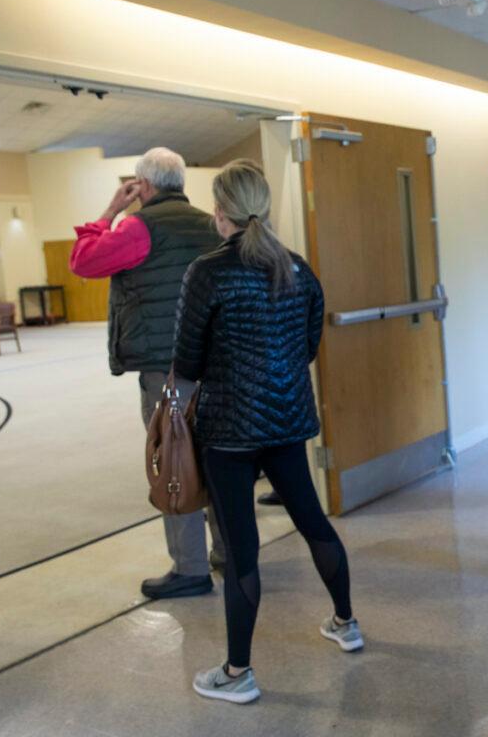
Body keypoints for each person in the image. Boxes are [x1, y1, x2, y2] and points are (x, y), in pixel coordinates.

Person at [174, 160, 361, 704]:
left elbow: (186, 360)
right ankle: (346, 623)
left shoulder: (207, 272)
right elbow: (306, 344)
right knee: (312, 522)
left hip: (228, 429)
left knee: (242, 550)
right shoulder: (297, 269)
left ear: (220, 211)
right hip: (286, 422)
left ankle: (238, 673)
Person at [70, 146, 224, 599]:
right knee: (216, 459)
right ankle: (229, 554)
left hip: (166, 368)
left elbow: (84, 261)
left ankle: (190, 569)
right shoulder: (208, 223)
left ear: (144, 185)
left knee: (173, 461)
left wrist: (112, 209)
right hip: (214, 363)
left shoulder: (140, 226)